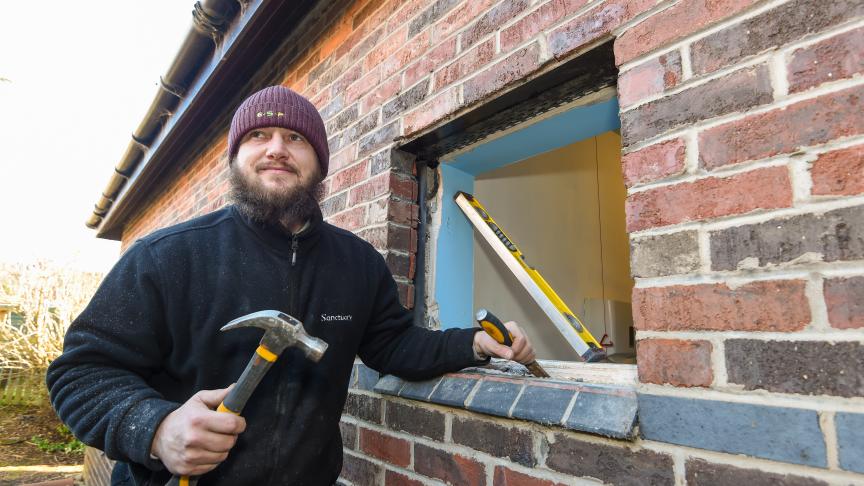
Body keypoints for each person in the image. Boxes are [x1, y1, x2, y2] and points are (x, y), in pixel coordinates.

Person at [47, 85, 536, 486]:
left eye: (295, 138)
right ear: (236, 157)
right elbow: (82, 374)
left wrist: (471, 343)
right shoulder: (168, 256)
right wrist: (156, 428)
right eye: (258, 134)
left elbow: (393, 344)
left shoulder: (357, 263)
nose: (276, 147)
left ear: (320, 164)